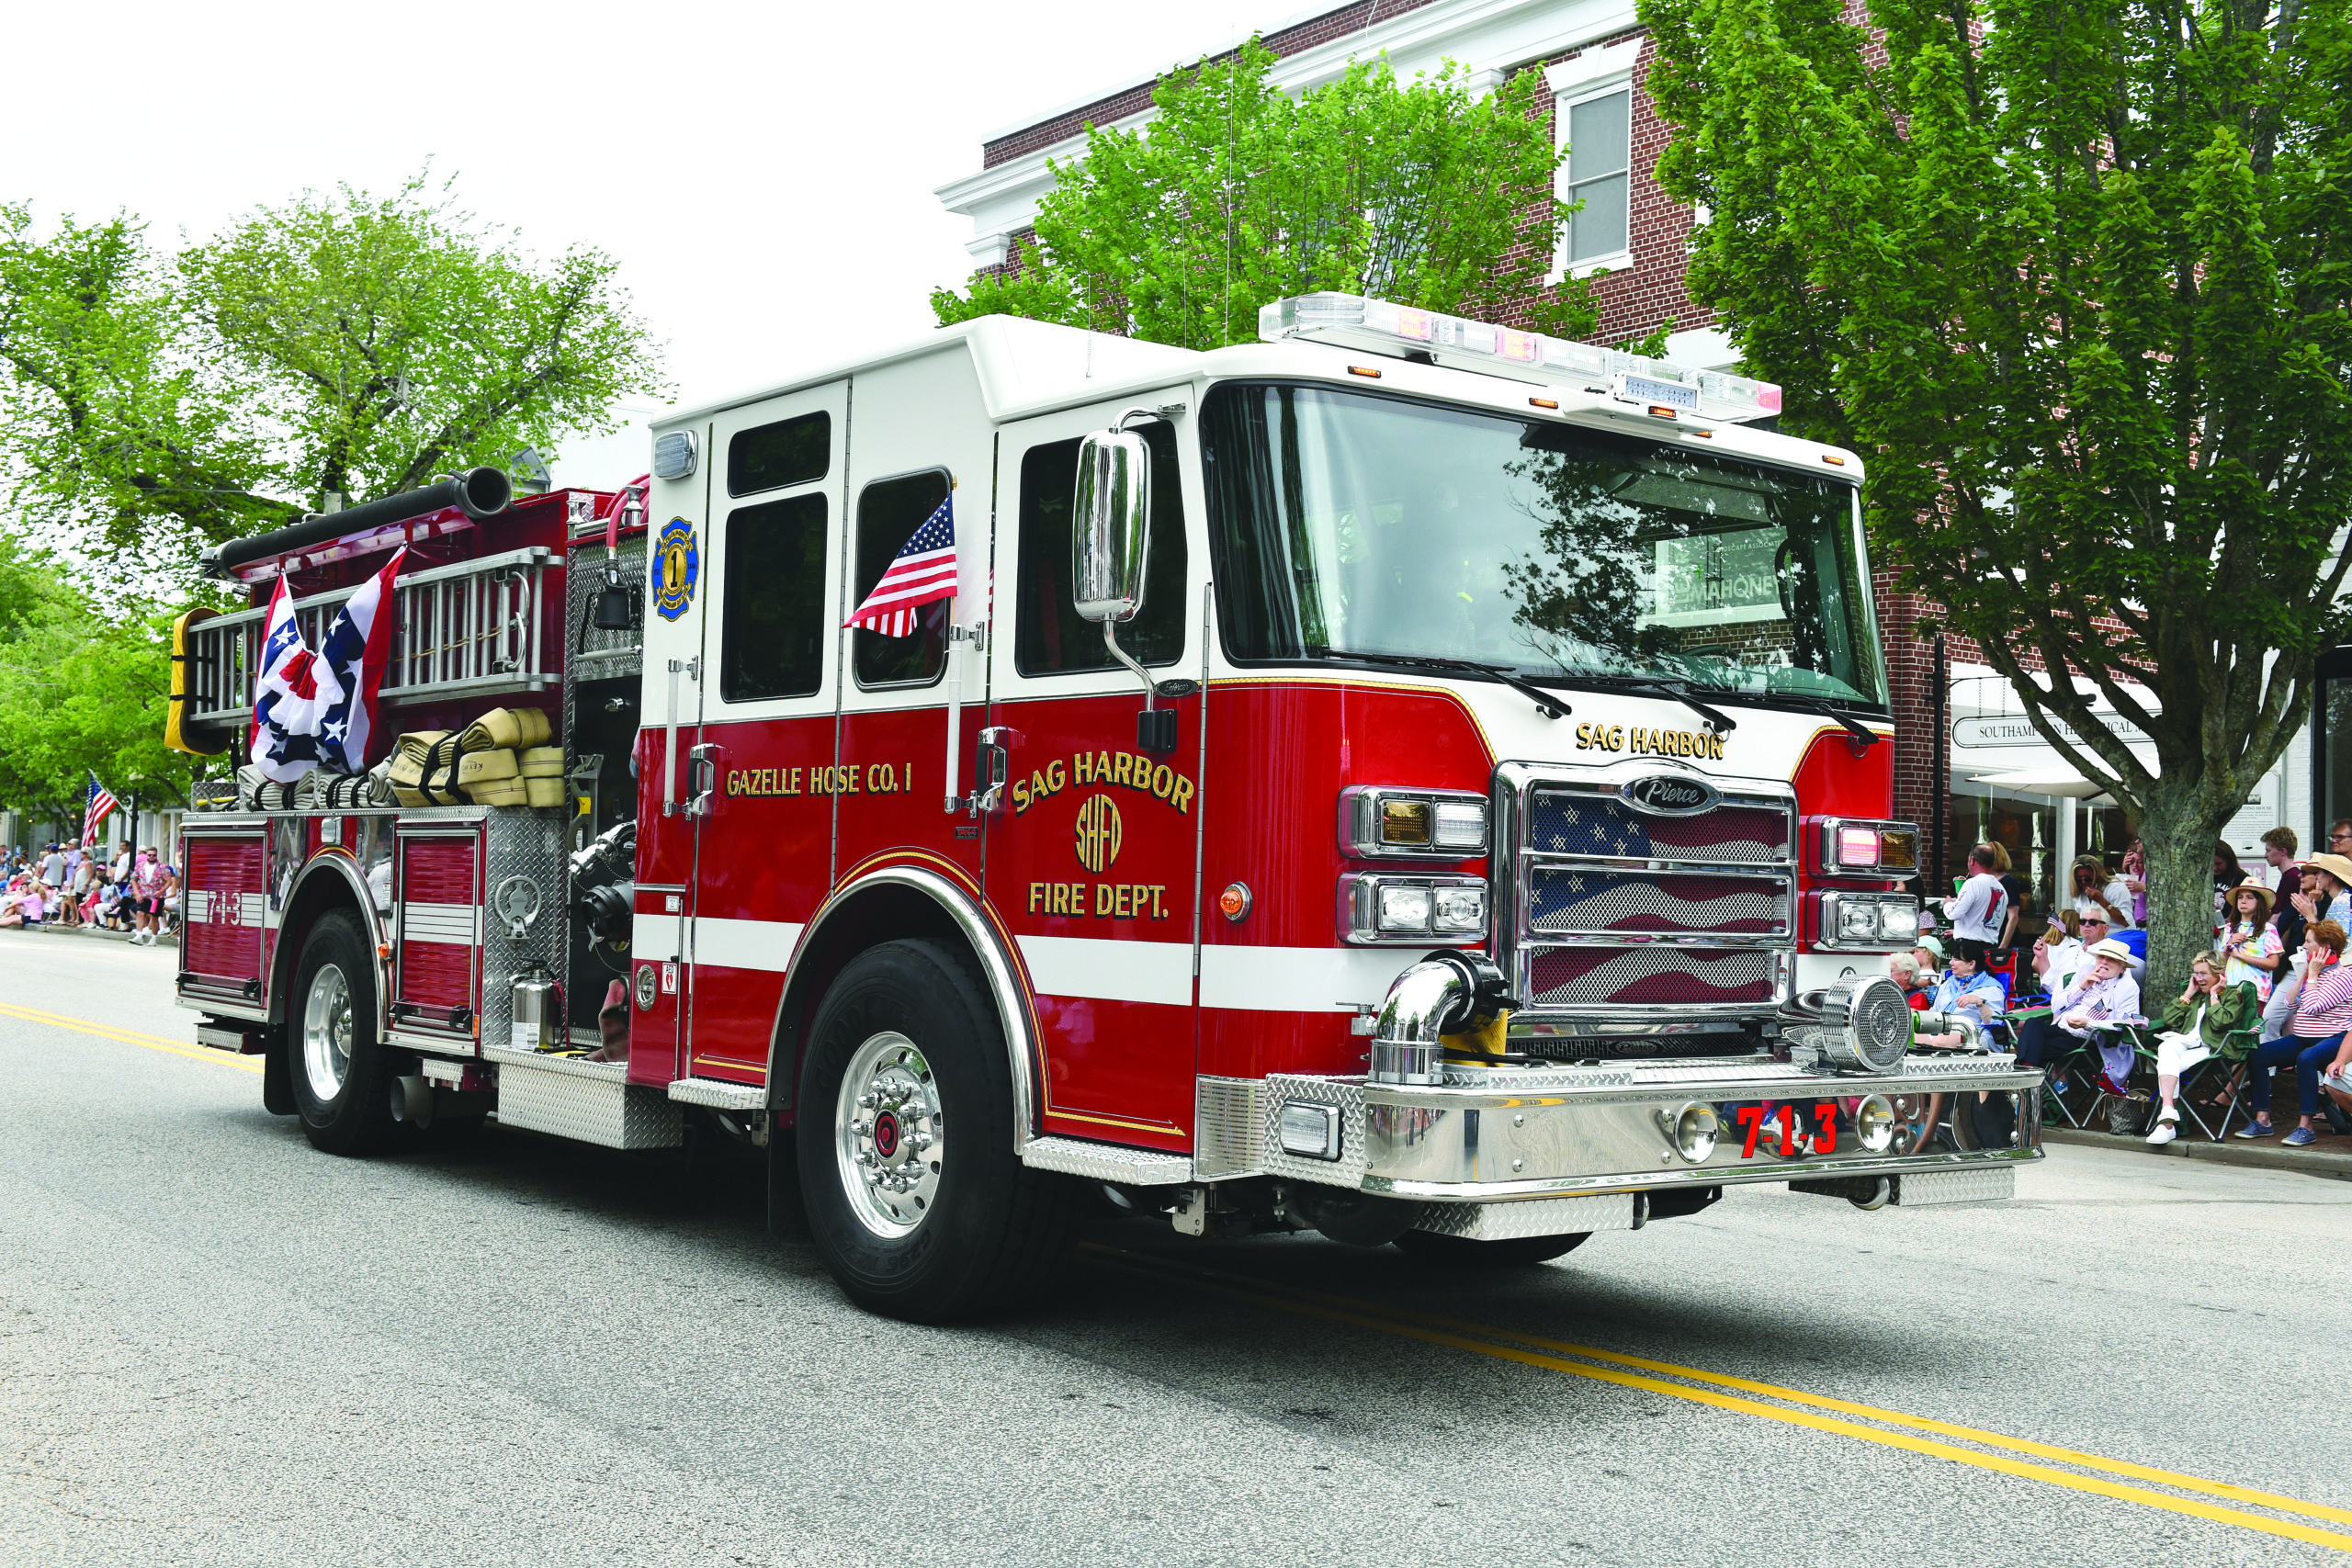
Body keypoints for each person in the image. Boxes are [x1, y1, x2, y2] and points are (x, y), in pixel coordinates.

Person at [2233, 919, 2352, 1145]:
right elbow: (2289, 1004)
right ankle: (2262, 1120)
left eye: (2308, 942)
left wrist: (2313, 976)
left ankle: (2305, 1127)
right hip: (2303, 1036)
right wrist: (2304, 974)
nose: (2304, 947)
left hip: (2333, 1038)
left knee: (2305, 1059)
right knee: (2257, 1054)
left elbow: (2313, 1006)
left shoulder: (2344, 976)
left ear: (2325, 947)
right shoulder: (2311, 973)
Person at [2147, 951, 2263, 1145]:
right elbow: (2170, 1019)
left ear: (2219, 973)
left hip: (2214, 1050)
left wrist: (2214, 996)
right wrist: (2188, 994)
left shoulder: (2233, 996)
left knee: (2167, 1063)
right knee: (2168, 1047)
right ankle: (2168, 1110)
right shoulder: (2194, 996)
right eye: (2195, 974)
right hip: (2186, 1043)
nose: (2198, 979)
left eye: (2203, 974)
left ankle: (2166, 1125)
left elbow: (2220, 1022)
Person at [2013, 938, 2144, 1090]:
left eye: (2112, 960)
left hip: (2089, 1040)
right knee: (2033, 1023)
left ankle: (2024, 1085)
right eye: (2101, 957)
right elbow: (2057, 1007)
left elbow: (2125, 1023)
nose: (2104, 962)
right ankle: (2028, 1083)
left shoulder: (2128, 987)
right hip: (2061, 1029)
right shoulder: (2085, 971)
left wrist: (2088, 1023)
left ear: (2122, 968)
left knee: (2031, 1047)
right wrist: (2081, 986)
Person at [1913, 939, 2007, 1048]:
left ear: (1971, 964)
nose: (1950, 962)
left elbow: (1993, 1023)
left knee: (1941, 1041)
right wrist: (1917, 1014)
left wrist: (1979, 1002)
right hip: (1941, 1031)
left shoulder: (1991, 988)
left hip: (1975, 1033)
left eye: (1956, 959)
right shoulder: (1948, 984)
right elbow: (1935, 1011)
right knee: (1908, 1035)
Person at [2221, 880, 2284, 1002]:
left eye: (2250, 897)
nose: (2243, 901)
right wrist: (2230, 943)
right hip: (2230, 989)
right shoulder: (2229, 928)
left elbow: (2274, 963)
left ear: (2259, 902)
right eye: (2240, 897)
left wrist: (2240, 956)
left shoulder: (2268, 929)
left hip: (2256, 991)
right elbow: (2221, 961)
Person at [1951, 843, 2011, 947]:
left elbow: (1954, 914)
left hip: (1968, 947)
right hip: (1990, 947)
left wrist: (1948, 903)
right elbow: (1979, 915)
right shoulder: (2002, 890)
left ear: (1972, 860)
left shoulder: (1972, 883)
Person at [2068, 855, 2134, 929]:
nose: (2083, 883)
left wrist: (2102, 901)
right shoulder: (2079, 894)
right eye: (2079, 880)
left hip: (2119, 936)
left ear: (2097, 875)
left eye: (2088, 879)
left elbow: (2126, 922)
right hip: (2095, 938)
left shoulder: (2116, 887)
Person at [2031, 911, 2084, 989]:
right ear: (2075, 927)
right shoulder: (2075, 944)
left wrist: (2046, 974)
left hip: (2045, 987)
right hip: (2063, 989)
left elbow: (2034, 964)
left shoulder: (2045, 942)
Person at [2262, 826, 2304, 903]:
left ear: (2283, 851)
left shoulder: (2292, 878)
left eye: (2268, 851)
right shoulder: (2292, 876)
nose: (2266, 855)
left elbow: (2279, 913)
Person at [2120, 837, 2148, 926]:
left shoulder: (2147, 876)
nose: (2135, 866)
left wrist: (2144, 888)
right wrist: (2124, 870)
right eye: (2131, 862)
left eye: (2140, 862)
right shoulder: (2128, 877)